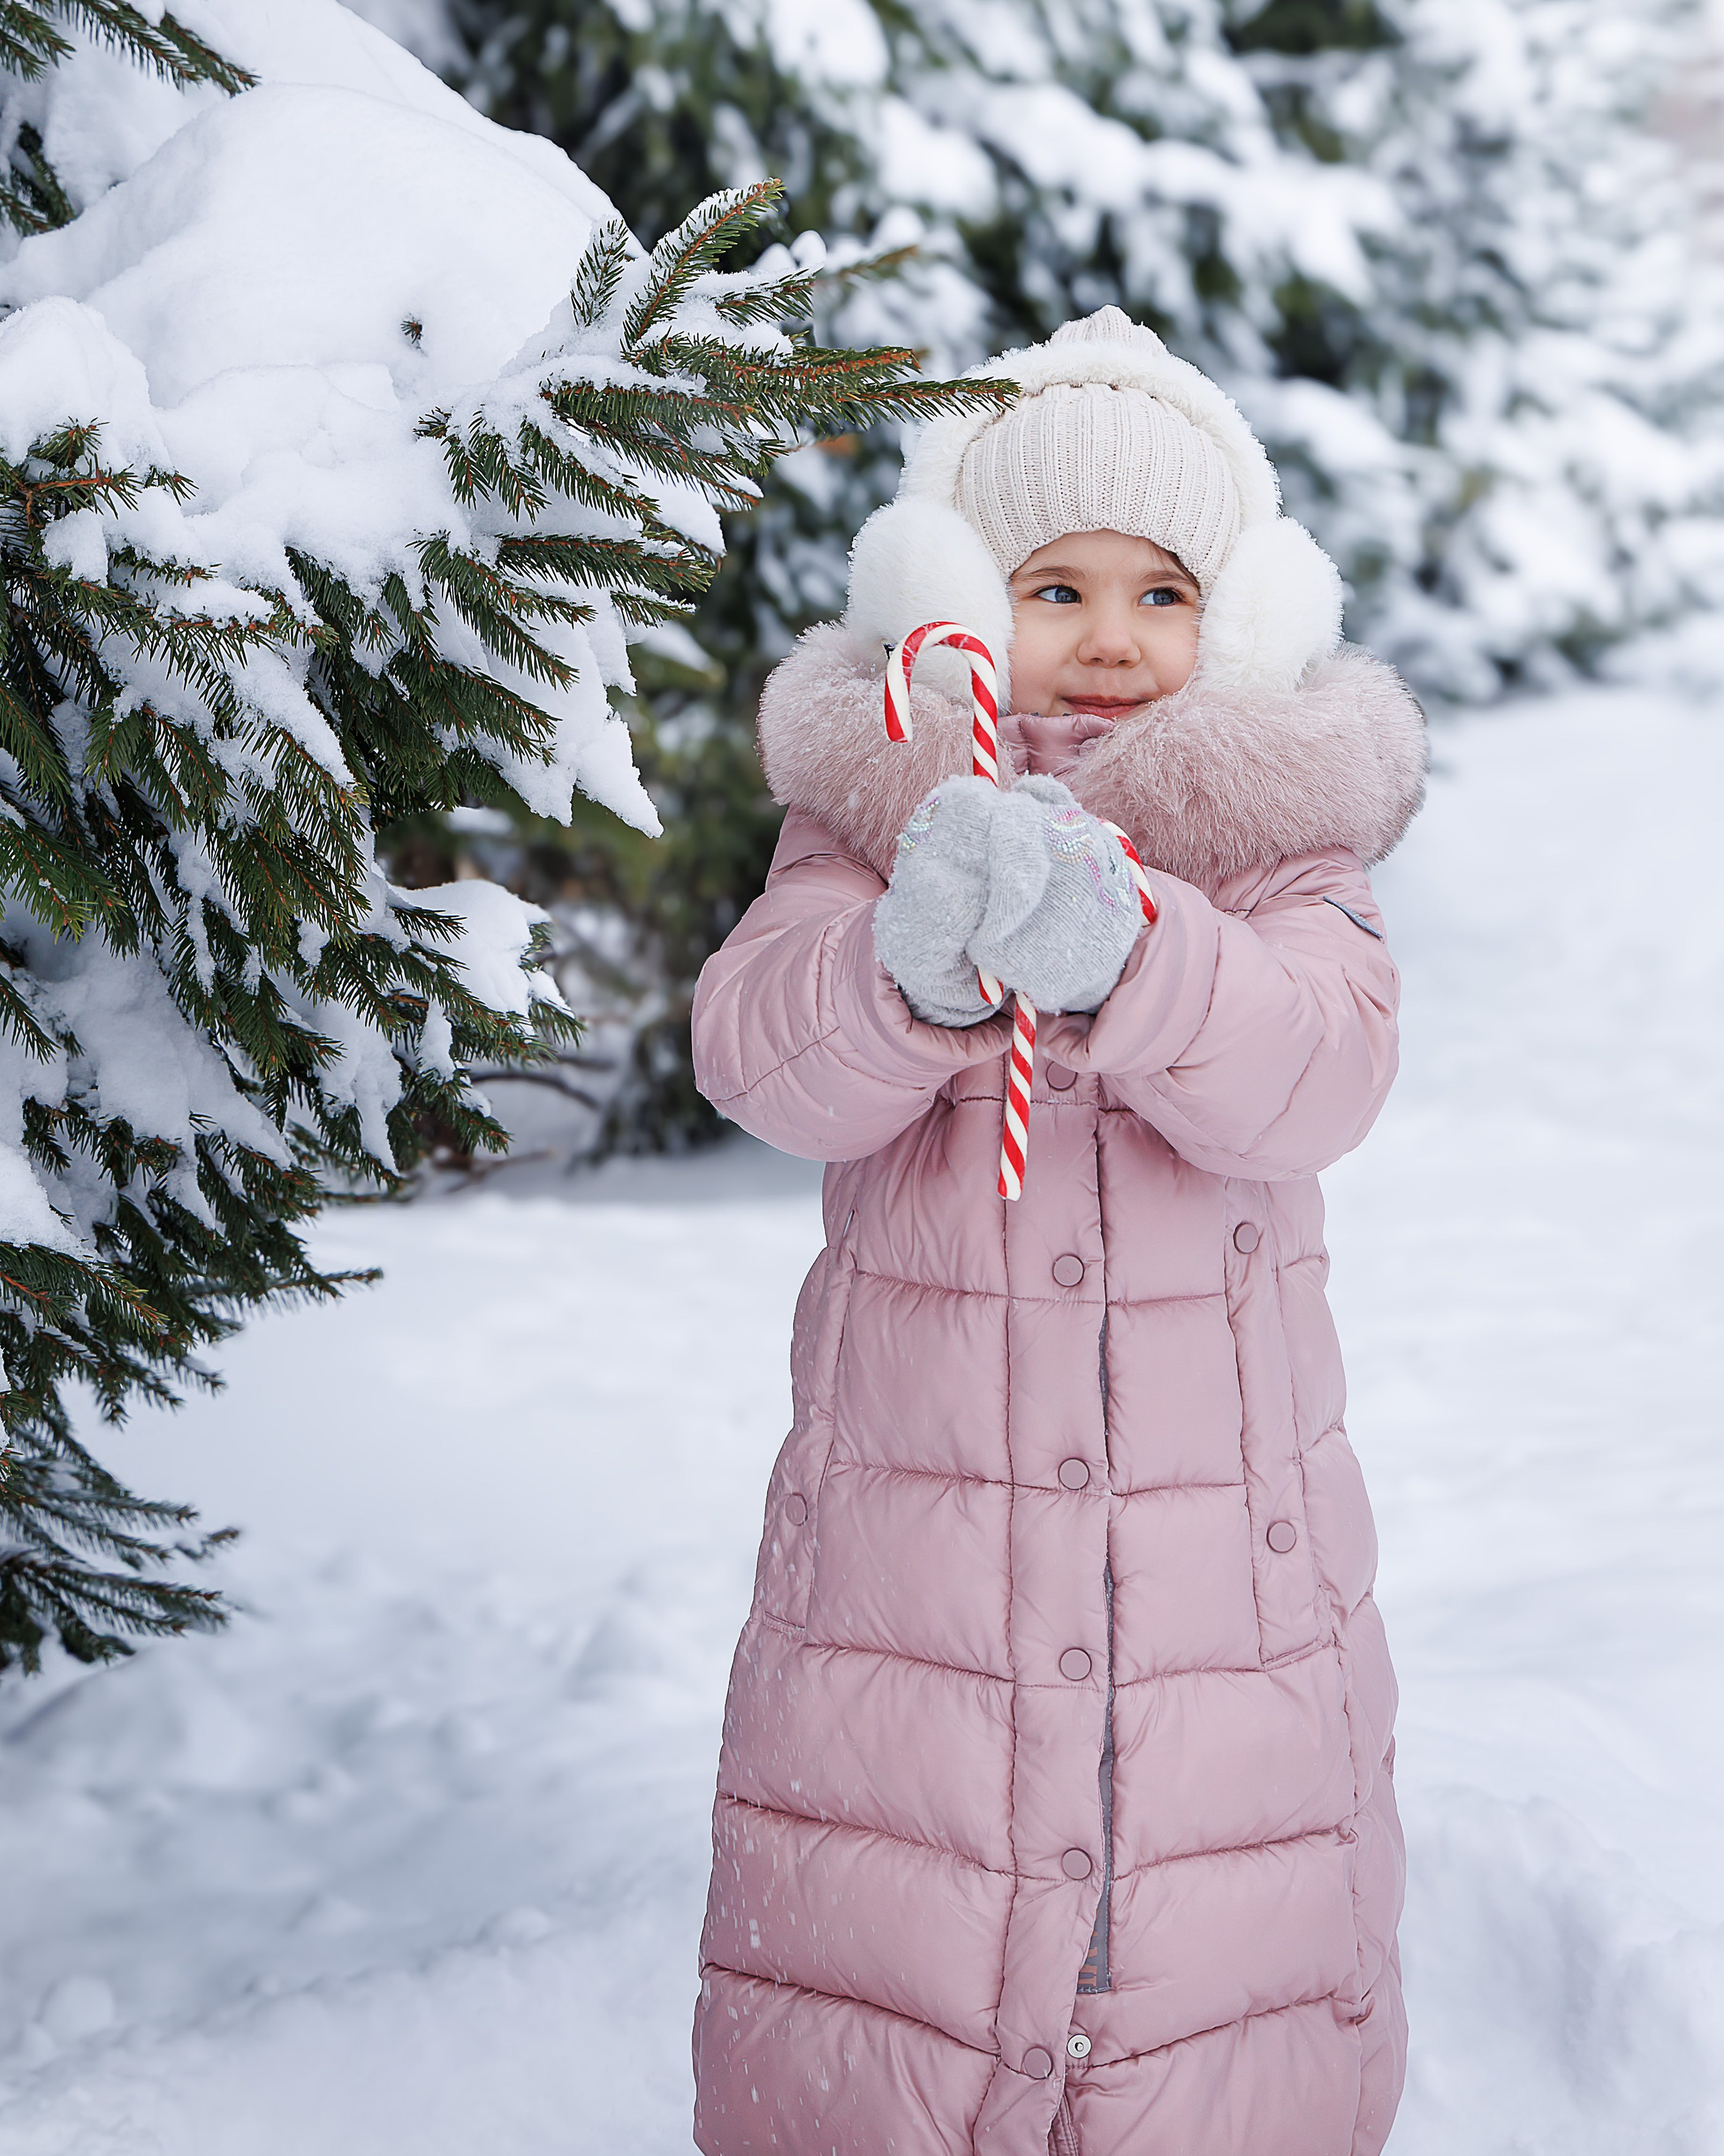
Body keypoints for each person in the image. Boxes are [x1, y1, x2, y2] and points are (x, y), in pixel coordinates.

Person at [687, 306, 1426, 2156]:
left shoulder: (1274, 849)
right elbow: (760, 1053)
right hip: (915, 1575)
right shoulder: (875, 825)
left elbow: (1324, 1070)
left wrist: (1145, 957)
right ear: (960, 596)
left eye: (1162, 591)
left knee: (1202, 1947)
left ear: (1233, 620)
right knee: (913, 1927)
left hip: (1218, 1591)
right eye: (1055, 584)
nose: (1109, 638)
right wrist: (903, 965)